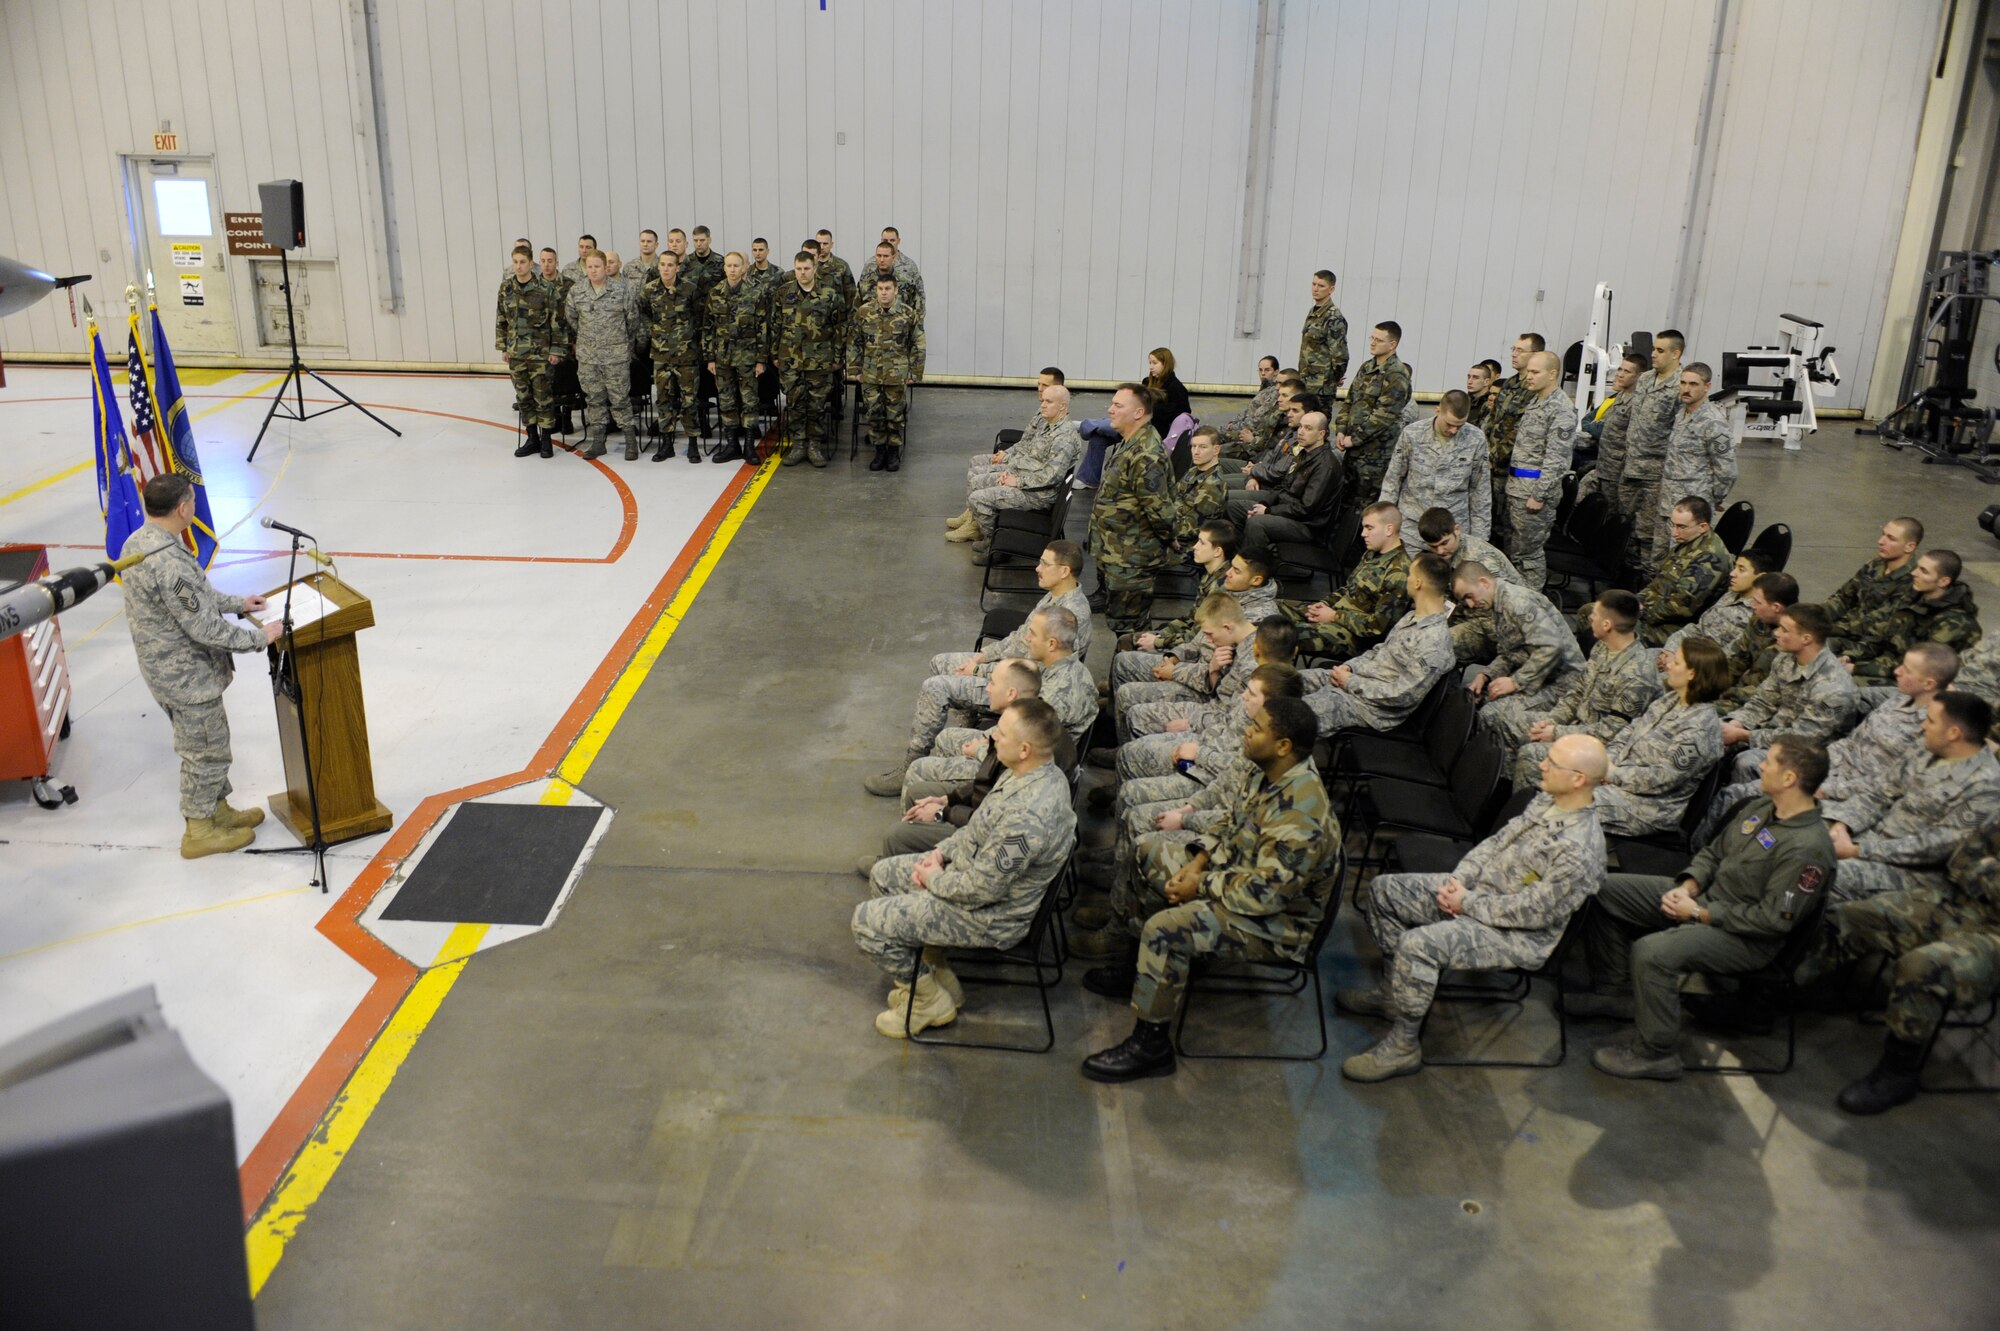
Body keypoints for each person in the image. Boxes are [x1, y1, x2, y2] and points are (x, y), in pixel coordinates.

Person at [1079, 698, 1338, 1082]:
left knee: (1166, 930)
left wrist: (1198, 884)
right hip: (1239, 877)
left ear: (1284, 745)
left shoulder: (1299, 813)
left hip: (1279, 924)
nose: (1247, 730)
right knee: (1148, 851)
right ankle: (1139, 967)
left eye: (1257, 727)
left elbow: (1264, 897)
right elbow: (1229, 825)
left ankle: (1151, 1045)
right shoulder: (1265, 771)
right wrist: (1196, 863)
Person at [1338, 735, 1608, 1082]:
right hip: (1477, 895)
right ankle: (1395, 994)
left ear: (1578, 779)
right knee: (1386, 891)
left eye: (1552, 762)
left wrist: (1466, 902)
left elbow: (1533, 913)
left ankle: (1404, 1045)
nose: (1542, 764)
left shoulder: (1580, 849)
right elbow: (1495, 843)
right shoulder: (1548, 800)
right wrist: (1459, 881)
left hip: (1513, 935)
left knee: (1418, 945)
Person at [1575, 736, 1836, 1079]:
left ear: (1789, 779)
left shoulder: (1808, 850)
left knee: (1653, 952)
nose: (1760, 766)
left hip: (1746, 938)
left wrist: (1699, 913)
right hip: (1705, 900)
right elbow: (1713, 853)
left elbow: (1773, 921)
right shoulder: (1761, 808)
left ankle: (1655, 1053)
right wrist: (1688, 885)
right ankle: (1616, 992)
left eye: (1770, 762)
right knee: (1604, 890)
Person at [854, 698, 1076, 1038]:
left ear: (1025, 748)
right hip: (969, 876)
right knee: (885, 876)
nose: (992, 739)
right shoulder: (1029, 773)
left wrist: (933, 879)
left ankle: (928, 1002)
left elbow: (982, 890)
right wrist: (941, 854)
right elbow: (978, 829)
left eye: (1001, 734)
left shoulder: (1028, 816)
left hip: (992, 915)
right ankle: (935, 972)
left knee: (867, 923)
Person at [119, 473, 286, 857]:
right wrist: (261, 637)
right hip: (185, 675)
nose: (195, 506)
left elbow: (196, 596)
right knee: (207, 751)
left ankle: (217, 810)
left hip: (167, 670)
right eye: (192, 500)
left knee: (209, 744)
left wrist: (238, 603)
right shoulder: (168, 562)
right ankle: (199, 830)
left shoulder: (141, 542)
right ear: (183, 509)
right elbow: (204, 626)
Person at [1796, 811, 2000, 1114]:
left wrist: (1982, 870)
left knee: (1923, 967)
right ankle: (1794, 989)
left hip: (1992, 936)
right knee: (1848, 917)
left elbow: (1974, 868)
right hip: (1956, 905)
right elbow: (1959, 859)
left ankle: (1898, 1071)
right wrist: (1986, 874)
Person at [1699, 642, 1959, 842]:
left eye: (1907, 670)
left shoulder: (1933, 728)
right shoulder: (1897, 698)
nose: (1896, 671)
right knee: (1735, 793)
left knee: (1759, 812)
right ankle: (1703, 856)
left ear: (1929, 682)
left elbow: (1887, 784)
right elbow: (1849, 742)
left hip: (1847, 797)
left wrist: (1826, 787)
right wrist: (1811, 769)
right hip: (1825, 771)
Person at [1819, 692, 2000, 902]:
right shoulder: (1926, 747)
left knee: (1818, 875)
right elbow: (1881, 790)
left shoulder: (1985, 787)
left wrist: (1857, 851)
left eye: (1931, 720)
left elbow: (1933, 847)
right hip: (1866, 834)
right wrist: (1843, 824)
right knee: (1795, 825)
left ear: (1953, 733)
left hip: (1910, 869)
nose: (1923, 725)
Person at [905, 612, 1097, 802]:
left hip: (1020, 775)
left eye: (1033, 634)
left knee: (919, 769)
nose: (1027, 638)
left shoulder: (1060, 694)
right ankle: (948, 798)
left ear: (1052, 644)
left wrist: (979, 749)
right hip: (1018, 750)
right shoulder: (1059, 665)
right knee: (946, 738)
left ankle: (940, 813)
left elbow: (1023, 752)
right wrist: (978, 670)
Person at [1581, 635, 1729, 835]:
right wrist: (1608, 762)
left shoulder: (1698, 729)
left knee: (1571, 804)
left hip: (1647, 807)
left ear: (1692, 674)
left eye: (1676, 662)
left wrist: (1613, 774)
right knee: (1563, 782)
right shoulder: (1670, 699)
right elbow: (1629, 731)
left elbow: (1662, 778)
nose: (1667, 665)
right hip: (1620, 781)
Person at [1503, 591, 1661, 776]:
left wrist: (1557, 733)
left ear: (1607, 624)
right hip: (1576, 725)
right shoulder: (1603, 646)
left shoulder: (1637, 675)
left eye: (1595, 613)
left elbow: (1610, 732)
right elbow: (1578, 692)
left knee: (1530, 756)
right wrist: (1553, 720)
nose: (1590, 617)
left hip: (1598, 750)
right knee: (1507, 722)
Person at [1303, 553, 1456, 737]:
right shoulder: (1411, 617)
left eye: (1409, 575)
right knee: (1286, 682)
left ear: (1417, 583)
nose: (1406, 579)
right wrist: (1350, 667)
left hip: (1370, 708)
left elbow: (1400, 695)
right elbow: (1380, 651)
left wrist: (1350, 682)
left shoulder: (1434, 643)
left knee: (1293, 717)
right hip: (1359, 681)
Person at [1720, 603, 1857, 779]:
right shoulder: (1786, 658)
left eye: (1784, 630)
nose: (1776, 633)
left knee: (1747, 762)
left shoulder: (1835, 690)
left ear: (1806, 639)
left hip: (1808, 756)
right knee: (1711, 734)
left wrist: (1743, 736)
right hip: (1771, 733)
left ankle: (1742, 804)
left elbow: (1803, 739)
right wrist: (1736, 724)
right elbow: (1763, 702)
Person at [1086, 383, 1177, 630]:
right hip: (1118, 552)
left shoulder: (1146, 455)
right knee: (1122, 624)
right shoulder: (1132, 441)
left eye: (1118, 405)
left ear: (1138, 413)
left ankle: (1132, 668)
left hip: (1133, 559)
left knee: (1130, 629)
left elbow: (1160, 511)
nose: (1110, 410)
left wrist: (1171, 539)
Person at [1456, 561, 1587, 726]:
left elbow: (1551, 647)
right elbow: (1511, 652)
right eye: (1464, 600)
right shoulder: (1497, 603)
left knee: (1492, 715)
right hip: (1540, 673)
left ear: (1484, 582)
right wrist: (1486, 675)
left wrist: (1516, 682)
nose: (1470, 604)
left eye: (1469, 596)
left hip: (1564, 683)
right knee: (1482, 698)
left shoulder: (1516, 603)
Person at [956, 384, 1083, 550]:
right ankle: (979, 529)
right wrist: (1011, 470)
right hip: (1026, 479)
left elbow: (1051, 477)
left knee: (978, 499)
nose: (1043, 404)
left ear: (1062, 406)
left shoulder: (1064, 438)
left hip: (1038, 494)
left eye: (1049, 401)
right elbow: (1028, 449)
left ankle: (994, 546)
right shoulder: (1048, 424)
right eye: (1043, 400)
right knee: (976, 482)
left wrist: (1017, 481)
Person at [1287, 503, 1411, 661]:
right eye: (1363, 527)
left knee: (1281, 634)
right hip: (1336, 615)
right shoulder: (1372, 553)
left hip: (1355, 638)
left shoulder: (1398, 572)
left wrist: (1334, 616)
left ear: (1388, 529)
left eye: (1369, 528)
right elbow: (1348, 588)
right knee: (1274, 608)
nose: (1363, 534)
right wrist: (1324, 604)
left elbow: (1378, 628)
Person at [1846, 548, 1981, 680]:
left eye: (1924, 571)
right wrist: (1851, 656)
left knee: (1846, 690)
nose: (1914, 573)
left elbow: (1919, 666)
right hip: (1890, 665)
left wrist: (1857, 668)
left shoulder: (1955, 623)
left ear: (1943, 581)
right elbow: (1880, 636)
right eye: (1917, 567)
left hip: (1921, 681)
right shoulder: (1912, 597)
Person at [1651, 363, 1736, 570]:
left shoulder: (1714, 423)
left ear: (1707, 387)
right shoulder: (1682, 414)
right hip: (1669, 503)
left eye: (1693, 384)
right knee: (1659, 561)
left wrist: (1712, 499)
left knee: (1682, 565)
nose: (1686, 389)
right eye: (1683, 383)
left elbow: (1727, 471)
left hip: (1692, 509)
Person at [1380, 390, 1490, 548]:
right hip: (1412, 529)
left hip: (1451, 533)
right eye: (1449, 424)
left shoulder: (1476, 439)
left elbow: (1481, 491)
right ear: (1438, 411)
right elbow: (1393, 479)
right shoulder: (1412, 434)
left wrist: (1480, 540)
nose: (1454, 431)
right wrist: (1385, 524)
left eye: (1460, 426)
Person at [1503, 350, 1574, 588]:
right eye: (1529, 371)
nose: (1528, 377)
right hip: (1519, 488)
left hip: (1534, 493)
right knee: (1517, 551)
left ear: (1552, 374)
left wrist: (1539, 494)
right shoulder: (1537, 400)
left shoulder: (1560, 408)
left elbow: (1557, 458)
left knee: (1529, 555)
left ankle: (1532, 603)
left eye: (1535, 372)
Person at [770, 249, 847, 467]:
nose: (802, 273)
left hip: (820, 360)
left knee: (817, 405)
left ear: (815, 268)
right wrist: (774, 353)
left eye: (806, 269)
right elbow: (775, 326)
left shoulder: (829, 295)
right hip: (790, 359)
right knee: (795, 403)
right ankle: (798, 444)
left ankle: (814, 446)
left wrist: (838, 356)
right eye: (798, 269)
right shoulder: (783, 294)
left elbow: (840, 328)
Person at [1618, 329, 1687, 569]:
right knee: (1625, 527)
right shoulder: (1645, 379)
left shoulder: (1681, 387)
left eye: (1660, 350)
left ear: (1676, 354)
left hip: (1654, 475)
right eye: (1653, 349)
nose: (1654, 354)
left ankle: (1643, 582)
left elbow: (1680, 434)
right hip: (1630, 468)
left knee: (1647, 534)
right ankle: (1623, 574)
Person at [1230, 410, 1340, 559]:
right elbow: (1283, 487)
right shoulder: (1304, 453)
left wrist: (1268, 511)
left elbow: (1306, 509)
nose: (1301, 432)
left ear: (1321, 434)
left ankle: (1255, 567)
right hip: (1287, 510)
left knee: (1257, 523)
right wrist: (1263, 504)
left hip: (1306, 525)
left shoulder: (1326, 466)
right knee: (1233, 507)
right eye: (1300, 427)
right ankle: (1242, 555)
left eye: (1308, 428)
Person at [1626, 496, 1732, 645]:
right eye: (1673, 525)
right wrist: (1635, 601)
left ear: (1703, 527)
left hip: (1677, 627)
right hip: (1657, 611)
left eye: (1682, 527)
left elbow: (1681, 607)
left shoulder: (1709, 558)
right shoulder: (1689, 541)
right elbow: (1659, 583)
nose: (1674, 533)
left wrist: (1640, 612)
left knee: (1612, 627)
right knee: (1599, 611)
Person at [564, 250, 639, 461]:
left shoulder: (622, 290)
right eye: (589, 267)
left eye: (597, 266)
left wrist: (621, 343)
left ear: (606, 267)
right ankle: (598, 442)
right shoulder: (577, 292)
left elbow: (632, 321)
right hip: (589, 357)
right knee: (594, 399)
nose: (593, 270)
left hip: (616, 356)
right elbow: (572, 320)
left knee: (620, 399)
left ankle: (630, 441)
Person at [847, 273, 925, 472]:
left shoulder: (907, 314)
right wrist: (855, 369)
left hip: (896, 374)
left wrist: (914, 373)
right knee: (874, 414)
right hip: (870, 374)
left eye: (887, 289)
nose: (883, 293)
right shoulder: (864, 313)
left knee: (895, 415)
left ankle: (893, 452)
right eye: (880, 289)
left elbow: (918, 344)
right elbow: (854, 342)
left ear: (896, 290)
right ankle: (879, 450)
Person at [638, 251, 705, 463]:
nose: (666, 269)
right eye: (663, 265)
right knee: (664, 399)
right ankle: (666, 444)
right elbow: (643, 313)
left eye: (670, 265)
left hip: (686, 355)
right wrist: (654, 330)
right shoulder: (649, 290)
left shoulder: (690, 289)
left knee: (689, 400)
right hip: (661, 354)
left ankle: (693, 443)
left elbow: (700, 317)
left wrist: (689, 338)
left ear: (677, 267)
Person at [496, 246, 562, 459]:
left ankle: (546, 441)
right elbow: (501, 319)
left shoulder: (545, 288)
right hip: (516, 353)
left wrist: (556, 350)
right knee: (524, 398)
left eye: (522, 262)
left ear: (531, 263)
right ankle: (531, 437)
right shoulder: (506, 288)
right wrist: (503, 347)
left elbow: (557, 322)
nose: (518, 266)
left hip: (540, 354)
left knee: (543, 398)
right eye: (515, 262)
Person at [1333, 321, 1411, 500]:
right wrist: (1341, 429)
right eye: (1372, 338)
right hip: (1352, 448)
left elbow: (1384, 416)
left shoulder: (1396, 374)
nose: (1373, 343)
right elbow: (1350, 400)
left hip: (1375, 455)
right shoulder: (1367, 367)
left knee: (1368, 504)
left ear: (1392, 344)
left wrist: (1355, 438)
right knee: (1345, 500)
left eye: (1379, 340)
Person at [705, 252, 766, 464]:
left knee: (749, 401)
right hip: (722, 358)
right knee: (726, 400)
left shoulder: (755, 294)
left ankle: (749, 447)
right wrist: (710, 357)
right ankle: (732, 446)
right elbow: (708, 327)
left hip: (747, 357)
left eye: (736, 266)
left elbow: (763, 329)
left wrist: (761, 359)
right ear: (724, 268)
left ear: (743, 269)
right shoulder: (715, 293)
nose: (732, 269)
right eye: (728, 265)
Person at [1662, 548, 1773, 661]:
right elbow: (1698, 629)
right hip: (1682, 652)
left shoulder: (1756, 615)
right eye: (1735, 567)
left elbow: (1726, 659)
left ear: (1761, 578)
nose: (1732, 573)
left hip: (1697, 666)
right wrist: (1670, 650)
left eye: (1741, 569)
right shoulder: (1731, 595)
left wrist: (1678, 660)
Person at [1480, 334, 1544, 529]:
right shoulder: (1509, 384)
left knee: (1507, 527)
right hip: (1492, 465)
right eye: (1513, 349)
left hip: (1512, 468)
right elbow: (1493, 419)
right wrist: (1485, 452)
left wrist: (1496, 455)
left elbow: (1521, 429)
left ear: (1536, 354)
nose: (1514, 354)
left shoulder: (1535, 389)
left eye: (1520, 350)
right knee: (1489, 519)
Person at [1581, 351, 1646, 509]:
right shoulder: (1618, 397)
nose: (1621, 375)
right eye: (1620, 370)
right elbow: (1589, 421)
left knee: (1611, 511)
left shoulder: (1639, 403)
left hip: (1618, 471)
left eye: (1627, 371)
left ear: (1640, 376)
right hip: (1603, 464)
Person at [1217, 356, 1283, 460]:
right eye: (1260, 370)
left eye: (1267, 370)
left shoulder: (1274, 393)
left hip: (1251, 436)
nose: (1263, 373)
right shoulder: (1264, 389)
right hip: (1245, 430)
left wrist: (1232, 427)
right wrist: (1233, 423)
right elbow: (1246, 412)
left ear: (1276, 372)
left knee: (1213, 444)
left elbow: (1256, 420)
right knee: (1209, 438)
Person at [1298, 270, 1349, 402]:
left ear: (1331, 289)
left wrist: (1334, 379)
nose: (1315, 289)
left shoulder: (1333, 317)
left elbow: (1340, 355)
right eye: (1314, 284)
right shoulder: (1313, 312)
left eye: (1321, 286)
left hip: (1322, 387)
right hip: (1306, 382)